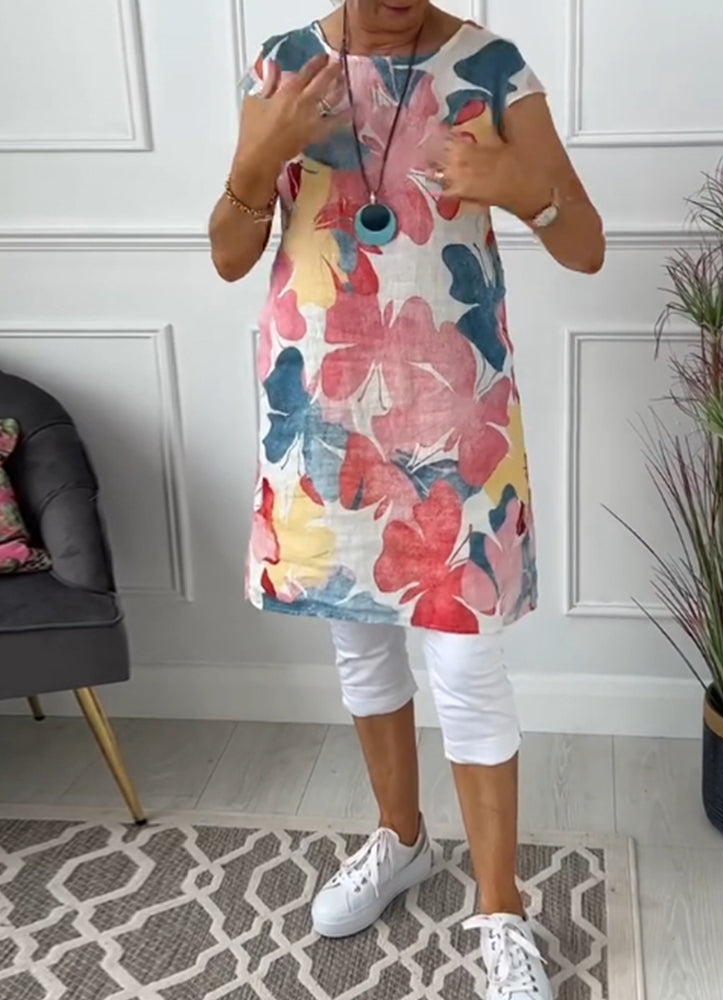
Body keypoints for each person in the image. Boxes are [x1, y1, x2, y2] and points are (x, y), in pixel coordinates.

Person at [209, 1, 603, 997]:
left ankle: (500, 908)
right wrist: (259, 158)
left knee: (465, 662)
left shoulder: (491, 67)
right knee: (360, 641)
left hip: (451, 411)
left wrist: (526, 192)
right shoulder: (285, 66)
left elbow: (587, 246)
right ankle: (400, 839)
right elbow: (228, 253)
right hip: (322, 401)